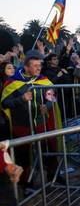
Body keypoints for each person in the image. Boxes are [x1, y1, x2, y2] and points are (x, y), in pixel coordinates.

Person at [1, 56, 61, 184]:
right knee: (23, 155)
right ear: (26, 67)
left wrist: (47, 106)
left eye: (39, 65)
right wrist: (21, 99)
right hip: (22, 125)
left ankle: (54, 175)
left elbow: (51, 96)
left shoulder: (43, 80)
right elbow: (5, 103)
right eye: (35, 66)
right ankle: (25, 183)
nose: (39, 68)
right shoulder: (12, 82)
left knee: (49, 149)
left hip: (41, 123)